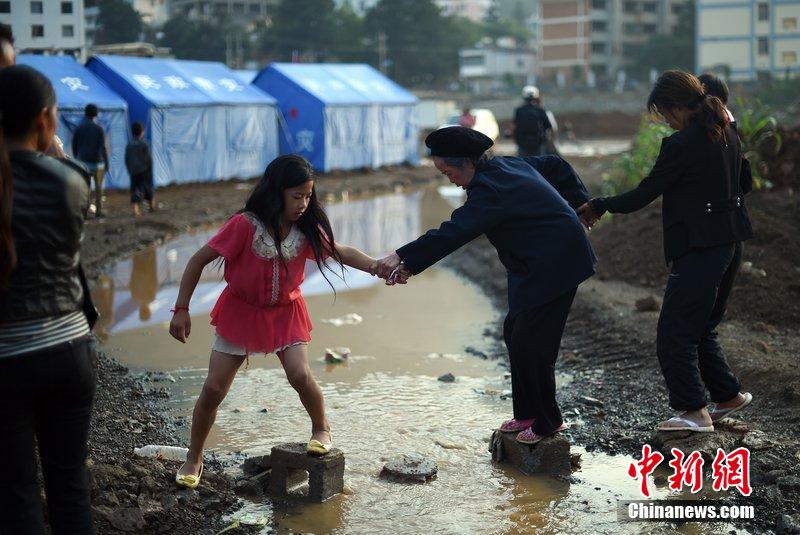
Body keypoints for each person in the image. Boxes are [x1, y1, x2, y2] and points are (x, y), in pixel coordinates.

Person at [169, 154, 392, 489]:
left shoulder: (306, 230)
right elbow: (199, 259)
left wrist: (377, 266)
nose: (303, 203)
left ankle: (321, 428)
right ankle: (194, 456)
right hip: (241, 312)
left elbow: (341, 251)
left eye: (308, 196)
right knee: (214, 388)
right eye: (296, 196)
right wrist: (182, 308)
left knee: (300, 374)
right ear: (276, 193)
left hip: (286, 313)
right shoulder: (245, 225)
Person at [374, 126, 596, 445]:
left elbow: (455, 231)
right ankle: (527, 413)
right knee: (515, 333)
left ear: (467, 162)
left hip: (558, 261)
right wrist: (580, 200)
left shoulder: (490, 189)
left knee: (534, 342)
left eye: (447, 170)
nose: (446, 176)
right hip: (532, 263)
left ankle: (550, 422)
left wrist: (401, 256)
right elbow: (556, 165)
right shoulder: (506, 166)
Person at [578, 71, 754, 433]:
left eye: (663, 113)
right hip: (730, 242)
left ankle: (693, 411)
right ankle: (727, 396)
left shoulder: (682, 144)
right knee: (703, 327)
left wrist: (600, 204)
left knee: (674, 332)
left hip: (700, 248)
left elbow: (644, 193)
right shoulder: (727, 133)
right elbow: (746, 184)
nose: (664, 121)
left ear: (676, 107)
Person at [0, 65, 96, 534]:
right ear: (44, 119)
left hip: (8, 357)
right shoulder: (71, 182)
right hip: (70, 352)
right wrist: (55, 153)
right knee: (70, 485)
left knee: (17, 494)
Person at [72, 103, 109, 218]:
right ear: (96, 114)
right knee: (98, 188)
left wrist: (77, 158)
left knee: (85, 188)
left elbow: (75, 145)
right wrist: (106, 162)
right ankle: (99, 211)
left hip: (82, 162)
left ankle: (85, 212)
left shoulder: (79, 128)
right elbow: (103, 147)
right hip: (98, 162)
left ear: (85, 113)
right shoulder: (99, 129)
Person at [512, 85, 553, 157]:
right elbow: (548, 126)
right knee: (538, 164)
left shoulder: (519, 110)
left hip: (522, 143)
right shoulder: (540, 110)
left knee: (522, 164)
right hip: (538, 143)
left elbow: (515, 126)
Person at [125, 121, 154, 216]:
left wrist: (129, 169)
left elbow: (126, 158)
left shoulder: (129, 144)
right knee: (147, 188)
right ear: (141, 132)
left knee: (134, 189)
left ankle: (135, 209)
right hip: (144, 170)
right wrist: (150, 170)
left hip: (133, 170)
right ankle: (151, 206)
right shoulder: (144, 144)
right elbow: (148, 159)